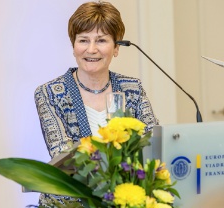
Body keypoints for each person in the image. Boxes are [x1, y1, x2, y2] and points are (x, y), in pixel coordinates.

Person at [34, 1, 159, 206]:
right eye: (83, 40)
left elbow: (152, 143)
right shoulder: (49, 93)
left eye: (101, 40)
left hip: (123, 200)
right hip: (70, 203)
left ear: (116, 47)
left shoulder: (132, 88)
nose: (91, 49)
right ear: (73, 47)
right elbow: (64, 156)